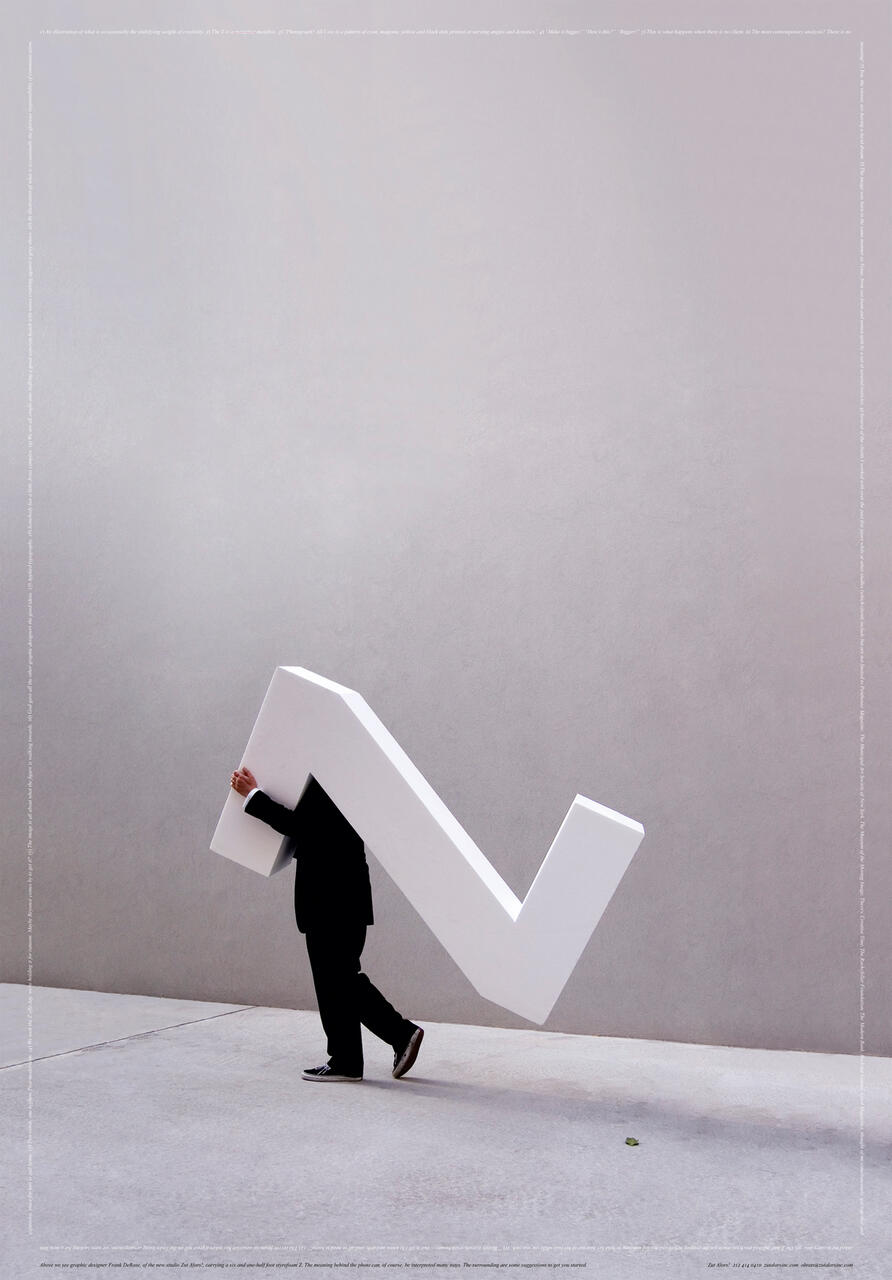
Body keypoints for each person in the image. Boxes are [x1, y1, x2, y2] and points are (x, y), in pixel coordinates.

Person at [230, 765, 424, 1083]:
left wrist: (253, 795)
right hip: (339, 899)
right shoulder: (341, 775)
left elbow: (302, 827)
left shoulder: (330, 776)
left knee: (339, 978)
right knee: (336, 978)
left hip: (332, 900)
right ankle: (348, 1059)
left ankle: (398, 1034)